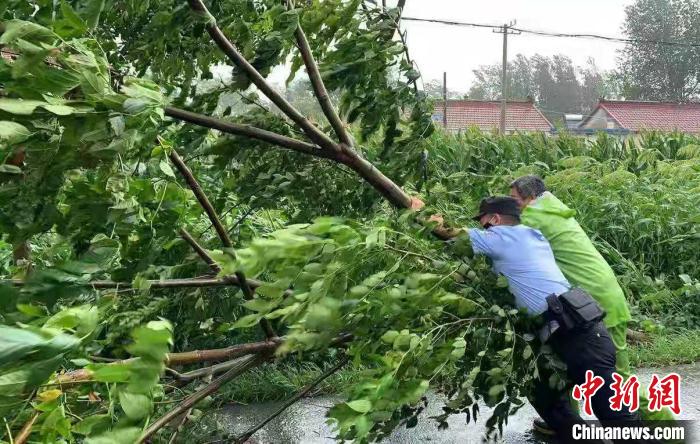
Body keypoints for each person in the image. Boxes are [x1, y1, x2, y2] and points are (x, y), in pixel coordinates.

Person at [412, 195, 650, 443]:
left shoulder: (503, 237)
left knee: (614, 414)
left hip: (577, 330)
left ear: (495, 219)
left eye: (484, 223)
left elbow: (450, 233)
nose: (483, 229)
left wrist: (419, 212)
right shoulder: (531, 235)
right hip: (563, 327)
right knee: (544, 395)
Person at [509, 175, 675, 426]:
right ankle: (569, 423)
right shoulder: (552, 210)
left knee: (615, 379)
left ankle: (668, 426)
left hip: (595, 304)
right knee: (564, 364)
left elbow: (499, 238)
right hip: (586, 301)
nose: (511, 207)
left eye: (514, 200)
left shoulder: (535, 217)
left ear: (530, 198)